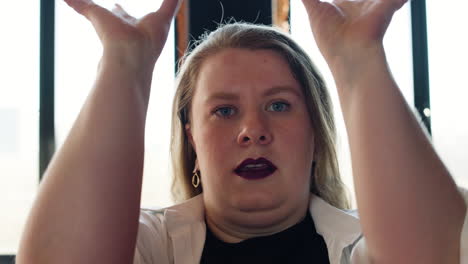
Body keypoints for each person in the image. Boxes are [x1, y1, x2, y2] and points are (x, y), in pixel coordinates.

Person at [16, 0, 468, 263]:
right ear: (192, 137)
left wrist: (360, 61)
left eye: (278, 105)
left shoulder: (366, 245)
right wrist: (124, 64)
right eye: (225, 111)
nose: (253, 130)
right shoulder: (152, 245)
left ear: (315, 134)